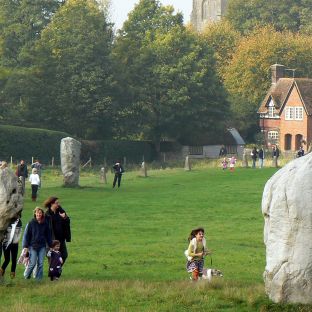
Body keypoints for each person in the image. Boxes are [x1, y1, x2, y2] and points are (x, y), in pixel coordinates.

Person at [23, 207, 52, 280]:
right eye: (37, 212)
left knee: (41, 263)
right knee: (32, 263)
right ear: (35, 213)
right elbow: (27, 235)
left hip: (42, 246)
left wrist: (50, 245)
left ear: (42, 214)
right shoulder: (31, 223)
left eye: (40, 213)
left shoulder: (45, 224)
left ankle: (39, 279)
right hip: (33, 246)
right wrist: (26, 246)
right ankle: (26, 276)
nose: (39, 214)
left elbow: (48, 235)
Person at [44, 197, 71, 264]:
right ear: (51, 204)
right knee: (51, 256)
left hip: (61, 238)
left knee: (64, 255)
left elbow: (67, 221)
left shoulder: (61, 211)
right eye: (56, 203)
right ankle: (53, 271)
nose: (58, 204)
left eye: (58, 203)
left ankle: (56, 269)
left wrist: (64, 217)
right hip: (52, 239)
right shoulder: (47, 214)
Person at [0, 214, 22, 279]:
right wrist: (5, 240)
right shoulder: (7, 221)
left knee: (14, 259)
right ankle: (1, 271)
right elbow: (3, 232)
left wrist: (16, 240)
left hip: (15, 244)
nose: (16, 216)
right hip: (6, 243)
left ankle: (12, 273)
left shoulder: (19, 222)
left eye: (18, 215)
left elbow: (20, 232)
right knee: (7, 259)